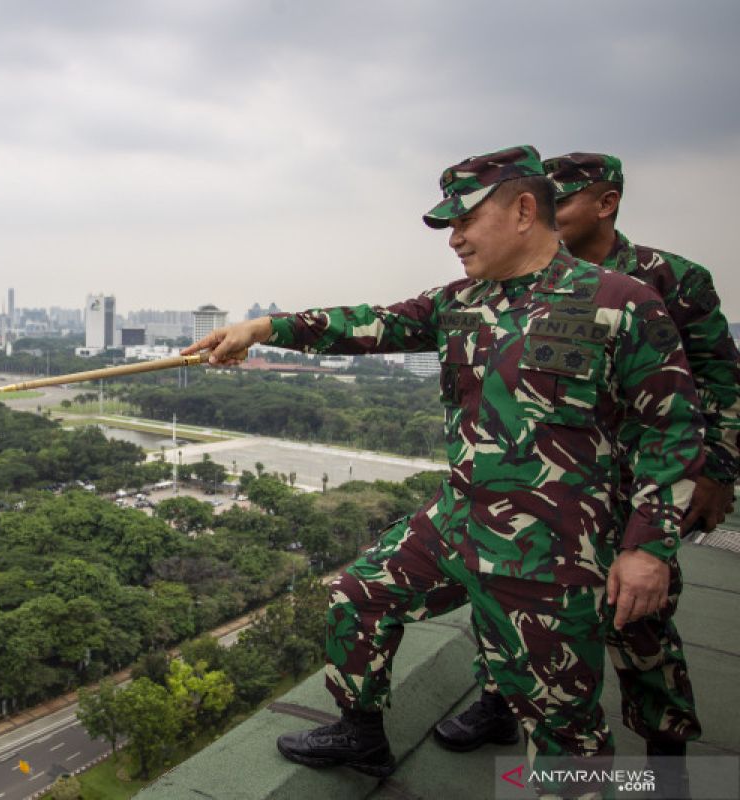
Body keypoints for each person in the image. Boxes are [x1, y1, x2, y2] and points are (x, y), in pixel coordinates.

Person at [183, 145, 704, 795]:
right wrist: (261, 328)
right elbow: (369, 324)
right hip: (458, 523)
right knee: (359, 595)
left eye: (463, 221)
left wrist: (648, 549)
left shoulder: (620, 303)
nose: (453, 239)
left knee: (564, 735)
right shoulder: (461, 302)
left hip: (549, 555)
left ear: (522, 210)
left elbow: (673, 430)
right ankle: (361, 731)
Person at [432, 152, 739, 791]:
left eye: (564, 199)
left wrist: (717, 475)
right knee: (517, 612)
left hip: (639, 492)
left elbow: (715, 388)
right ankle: (501, 706)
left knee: (640, 625)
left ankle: (664, 763)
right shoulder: (513, 281)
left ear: (605, 203)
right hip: (552, 496)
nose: (551, 209)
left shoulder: (666, 280)